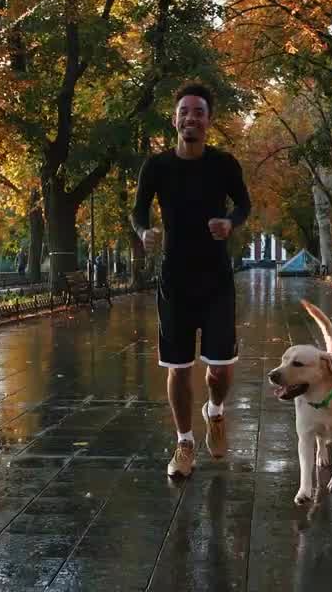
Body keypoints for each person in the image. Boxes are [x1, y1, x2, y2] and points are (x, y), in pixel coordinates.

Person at [131, 82, 251, 478]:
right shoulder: (157, 166)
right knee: (178, 368)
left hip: (216, 279)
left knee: (220, 368)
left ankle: (215, 412)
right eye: (184, 111)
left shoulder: (224, 164)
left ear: (208, 121)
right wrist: (144, 231)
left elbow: (244, 204)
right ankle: (184, 442)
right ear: (175, 119)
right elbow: (138, 212)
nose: (191, 118)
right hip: (175, 279)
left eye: (199, 112)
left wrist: (230, 223)